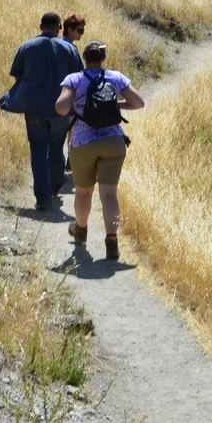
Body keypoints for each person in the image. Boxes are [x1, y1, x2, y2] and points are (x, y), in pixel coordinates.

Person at [56, 40, 144, 262]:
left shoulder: (74, 79)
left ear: (84, 57)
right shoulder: (115, 77)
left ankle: (81, 229)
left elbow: (62, 108)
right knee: (109, 195)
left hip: (82, 143)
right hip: (113, 141)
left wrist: (78, 103)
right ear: (103, 58)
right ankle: (112, 241)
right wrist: (114, 104)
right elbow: (138, 103)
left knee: (84, 192)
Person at [7, 12, 84, 210]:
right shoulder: (69, 49)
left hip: (34, 109)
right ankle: (55, 187)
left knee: (38, 151)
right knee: (56, 148)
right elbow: (79, 79)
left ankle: (42, 198)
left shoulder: (27, 47)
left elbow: (17, 76)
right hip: (61, 110)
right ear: (58, 27)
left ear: (41, 26)